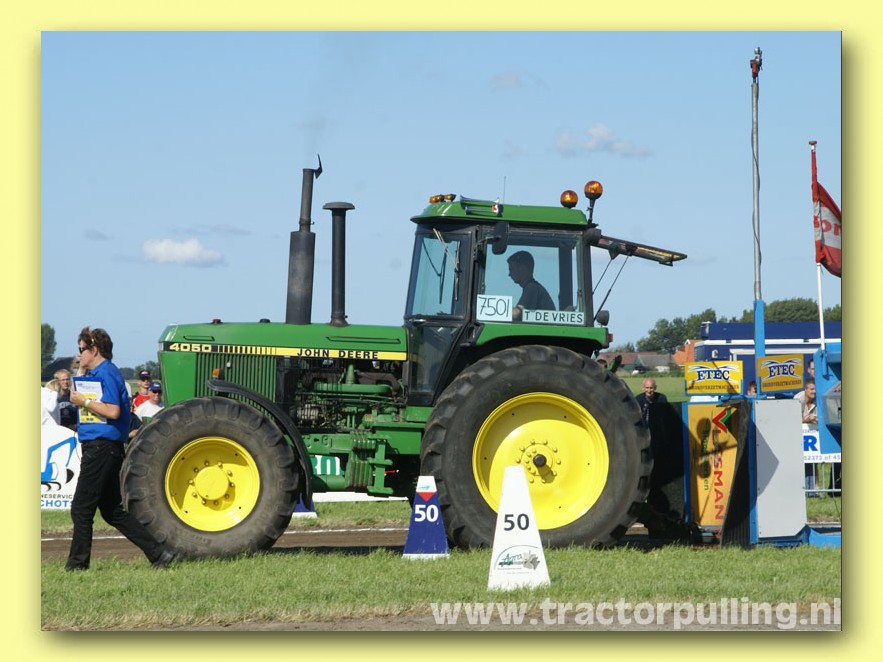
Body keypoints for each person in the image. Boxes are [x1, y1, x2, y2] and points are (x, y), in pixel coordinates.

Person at [65, 326, 178, 570]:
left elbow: (113, 410)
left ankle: (77, 566)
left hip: (101, 448)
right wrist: (81, 371)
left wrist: (84, 402)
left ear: (94, 349)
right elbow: (78, 391)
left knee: (81, 509)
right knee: (111, 511)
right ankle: (159, 553)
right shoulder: (100, 372)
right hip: (105, 448)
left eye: (82, 350)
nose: (79, 354)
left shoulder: (106, 373)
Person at [507, 250, 554, 321]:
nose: (509, 274)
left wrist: (497, 311)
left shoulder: (532, 288)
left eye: (511, 269)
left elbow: (516, 313)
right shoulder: (534, 287)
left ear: (522, 268)